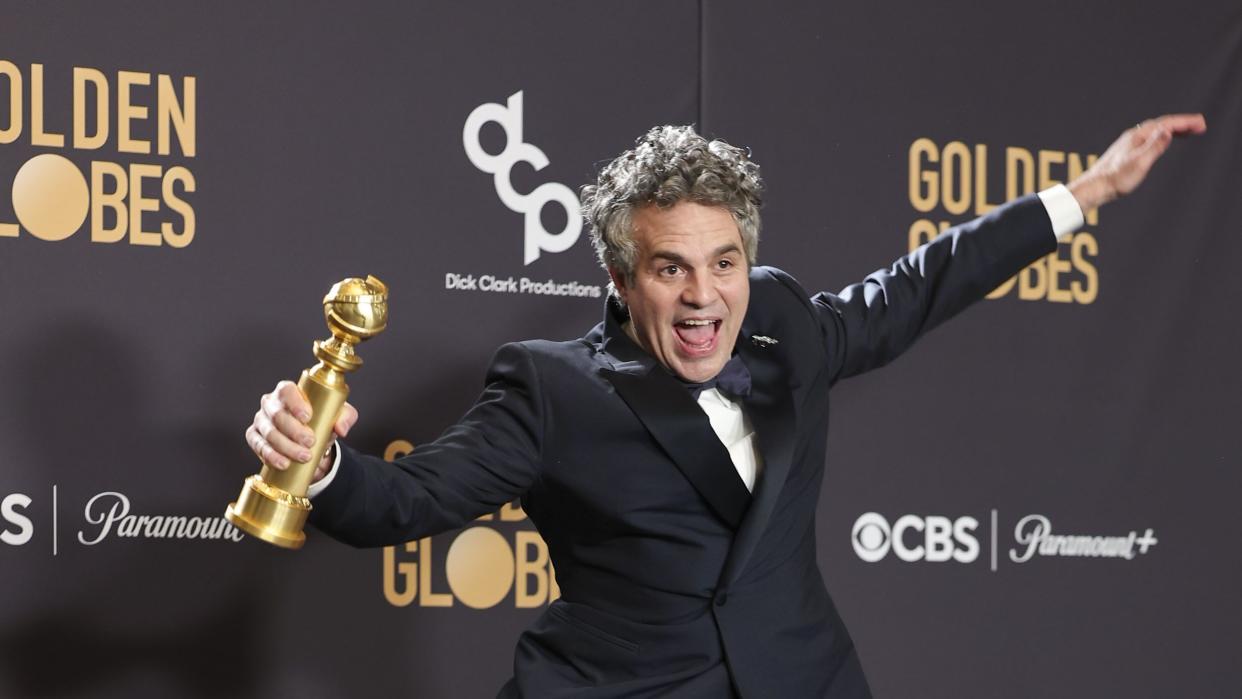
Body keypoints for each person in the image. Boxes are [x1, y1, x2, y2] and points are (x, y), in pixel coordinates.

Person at [244, 114, 1206, 697]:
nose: (704, 296)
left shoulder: (783, 320)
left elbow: (920, 287)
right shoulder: (553, 387)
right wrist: (315, 463)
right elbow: (407, 502)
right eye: (671, 268)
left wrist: (1086, 192)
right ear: (623, 279)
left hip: (804, 681)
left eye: (724, 263)